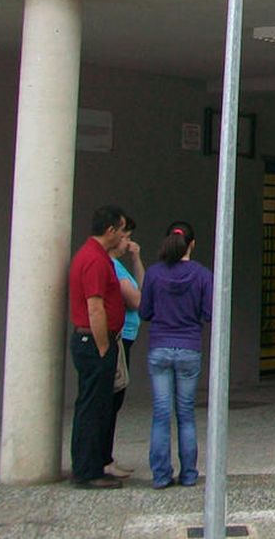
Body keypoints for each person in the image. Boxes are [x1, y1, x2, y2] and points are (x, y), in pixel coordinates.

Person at [138, 220, 213, 490]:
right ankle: (189, 474)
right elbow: (209, 313)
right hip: (189, 347)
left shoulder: (155, 273)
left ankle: (160, 475)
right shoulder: (203, 275)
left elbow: (144, 311)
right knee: (186, 413)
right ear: (192, 244)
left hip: (159, 346)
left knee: (161, 413)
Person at [68, 205, 129, 489]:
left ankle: (91, 465)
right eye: (122, 229)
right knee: (94, 408)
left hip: (95, 341)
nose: (124, 235)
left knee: (95, 406)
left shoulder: (95, 256)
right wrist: (104, 346)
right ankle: (88, 470)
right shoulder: (93, 259)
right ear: (111, 230)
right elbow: (95, 306)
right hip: (94, 343)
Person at [102, 213, 144, 480]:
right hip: (120, 337)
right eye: (125, 235)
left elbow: (143, 285)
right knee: (111, 399)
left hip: (127, 334)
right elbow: (137, 300)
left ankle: (106, 457)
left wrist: (137, 258)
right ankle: (104, 459)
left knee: (115, 398)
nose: (127, 241)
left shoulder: (121, 265)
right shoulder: (111, 266)